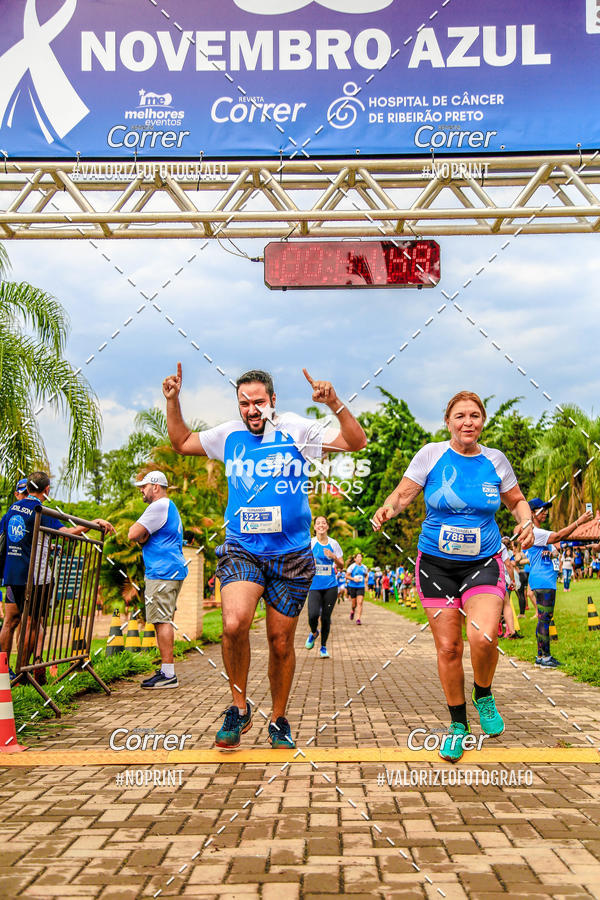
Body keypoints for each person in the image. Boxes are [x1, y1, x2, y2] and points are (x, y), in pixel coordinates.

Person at [163, 363, 366, 750]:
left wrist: (335, 402)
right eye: (244, 403)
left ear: (273, 400)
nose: (251, 410)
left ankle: (278, 719)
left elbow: (355, 443)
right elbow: (181, 441)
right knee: (235, 623)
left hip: (291, 555)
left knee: (280, 642)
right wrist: (172, 401)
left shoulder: (295, 429)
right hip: (243, 548)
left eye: (258, 402)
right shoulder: (229, 435)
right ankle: (239, 709)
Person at [373, 391, 534, 762]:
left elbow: (515, 500)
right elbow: (403, 495)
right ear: (448, 421)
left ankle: (483, 692)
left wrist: (525, 519)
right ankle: (458, 725)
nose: (468, 422)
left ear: (482, 421)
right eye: (460, 415)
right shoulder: (430, 454)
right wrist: (387, 509)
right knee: (449, 648)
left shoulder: (495, 461)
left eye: (475, 416)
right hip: (435, 565)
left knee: (483, 636)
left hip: (483, 562)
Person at [0, 472, 114, 682]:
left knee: (16, 621)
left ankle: (6, 672)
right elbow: (69, 532)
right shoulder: (41, 510)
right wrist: (92, 522)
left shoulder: (12, 510)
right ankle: (23, 673)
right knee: (32, 623)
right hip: (36, 577)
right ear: (47, 490)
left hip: (13, 575)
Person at [128, 470, 188, 689]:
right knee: (161, 619)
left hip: (162, 572)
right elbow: (142, 536)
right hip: (167, 571)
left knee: (161, 620)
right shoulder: (167, 507)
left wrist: (142, 537)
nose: (141, 490)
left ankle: (169, 674)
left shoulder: (158, 506)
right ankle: (165, 670)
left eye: (144, 486)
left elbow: (133, 533)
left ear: (155, 486)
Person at [527, 499, 592, 668]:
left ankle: (541, 656)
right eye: (543, 510)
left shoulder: (536, 533)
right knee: (544, 619)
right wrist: (579, 521)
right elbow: (559, 536)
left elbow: (555, 549)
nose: (546, 513)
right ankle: (545, 657)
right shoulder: (535, 532)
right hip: (544, 580)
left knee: (543, 619)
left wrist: (551, 552)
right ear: (532, 513)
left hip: (542, 579)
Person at [305, 516, 343, 659]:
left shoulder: (334, 544)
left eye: (324, 523)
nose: (321, 525)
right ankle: (314, 632)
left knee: (326, 618)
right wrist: (310, 562)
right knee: (313, 615)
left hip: (330, 586)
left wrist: (333, 557)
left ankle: (323, 647)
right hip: (314, 586)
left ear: (327, 526)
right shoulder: (310, 543)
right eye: (318, 523)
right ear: (314, 528)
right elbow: (303, 563)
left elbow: (341, 565)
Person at [347, 552, 368, 622]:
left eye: (361, 557)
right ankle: (352, 611)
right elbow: (346, 576)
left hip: (361, 586)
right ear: (355, 559)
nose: (360, 558)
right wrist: (353, 579)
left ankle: (358, 619)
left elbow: (366, 575)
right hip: (352, 586)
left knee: (360, 602)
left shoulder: (364, 567)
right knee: (354, 604)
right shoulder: (352, 566)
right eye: (358, 557)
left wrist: (366, 579)